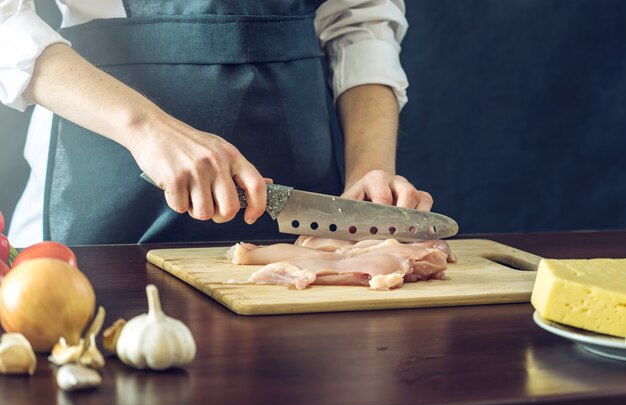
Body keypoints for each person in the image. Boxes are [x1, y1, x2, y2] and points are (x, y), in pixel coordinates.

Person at [1, 0, 433, 246]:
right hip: (101, 172)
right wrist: (147, 128)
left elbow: (362, 19)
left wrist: (369, 180)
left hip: (300, 195)